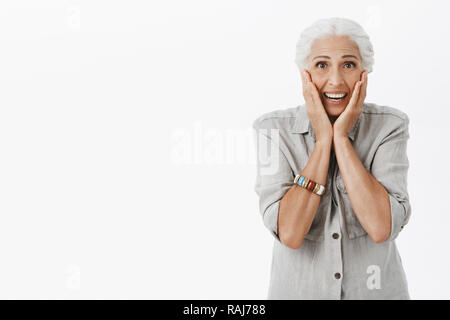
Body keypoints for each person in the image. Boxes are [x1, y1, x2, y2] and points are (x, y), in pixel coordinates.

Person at [253, 17, 411, 299]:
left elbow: (380, 227)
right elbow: (289, 232)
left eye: (348, 64)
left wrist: (341, 139)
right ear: (306, 74)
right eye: (322, 65)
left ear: (364, 72)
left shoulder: (390, 126)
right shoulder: (272, 131)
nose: (336, 80)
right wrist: (323, 142)